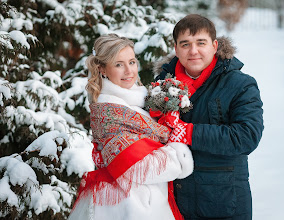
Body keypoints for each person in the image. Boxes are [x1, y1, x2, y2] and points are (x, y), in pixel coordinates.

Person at [68, 34, 194, 220]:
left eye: (132, 62)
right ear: (102, 69)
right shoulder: (109, 112)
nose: (129, 71)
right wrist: (177, 151)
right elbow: (136, 167)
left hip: (148, 201)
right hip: (126, 207)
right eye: (118, 64)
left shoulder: (138, 98)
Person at [154, 14, 264, 220]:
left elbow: (247, 136)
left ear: (214, 46)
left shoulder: (241, 84)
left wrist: (187, 133)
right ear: (176, 49)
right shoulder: (161, 86)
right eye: (185, 44)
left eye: (200, 43)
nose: (193, 51)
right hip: (172, 204)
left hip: (222, 202)